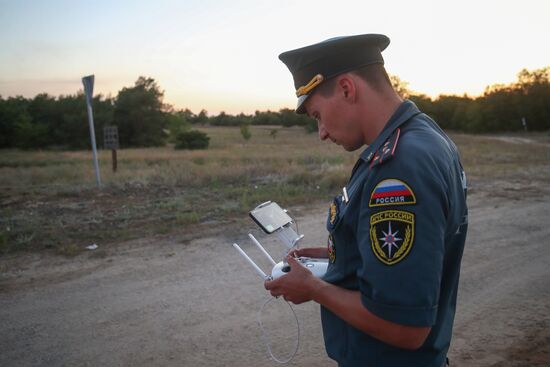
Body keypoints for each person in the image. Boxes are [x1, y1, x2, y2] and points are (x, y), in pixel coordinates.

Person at [264, 34, 468, 367]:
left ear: (346, 88)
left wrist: (314, 288)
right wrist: (342, 255)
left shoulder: (400, 165)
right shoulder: (424, 137)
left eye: (317, 115)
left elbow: (405, 327)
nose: (322, 132)